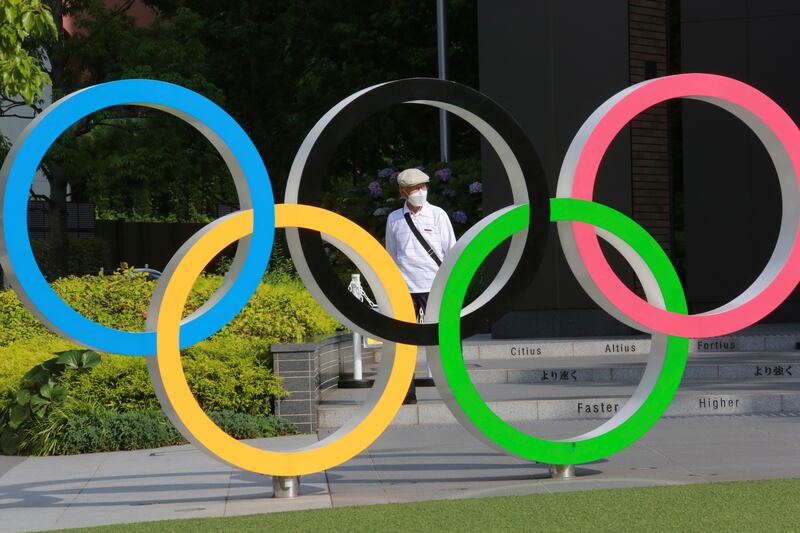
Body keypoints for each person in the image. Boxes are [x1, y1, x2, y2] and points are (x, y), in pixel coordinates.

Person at [385, 168, 456, 404]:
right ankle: (407, 392)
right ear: (404, 192)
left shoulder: (438, 215)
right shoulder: (394, 218)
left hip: (434, 285)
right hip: (404, 288)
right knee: (405, 342)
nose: (421, 192)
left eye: (424, 187)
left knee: (444, 337)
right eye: (415, 188)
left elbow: (451, 250)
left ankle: (455, 388)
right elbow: (392, 255)